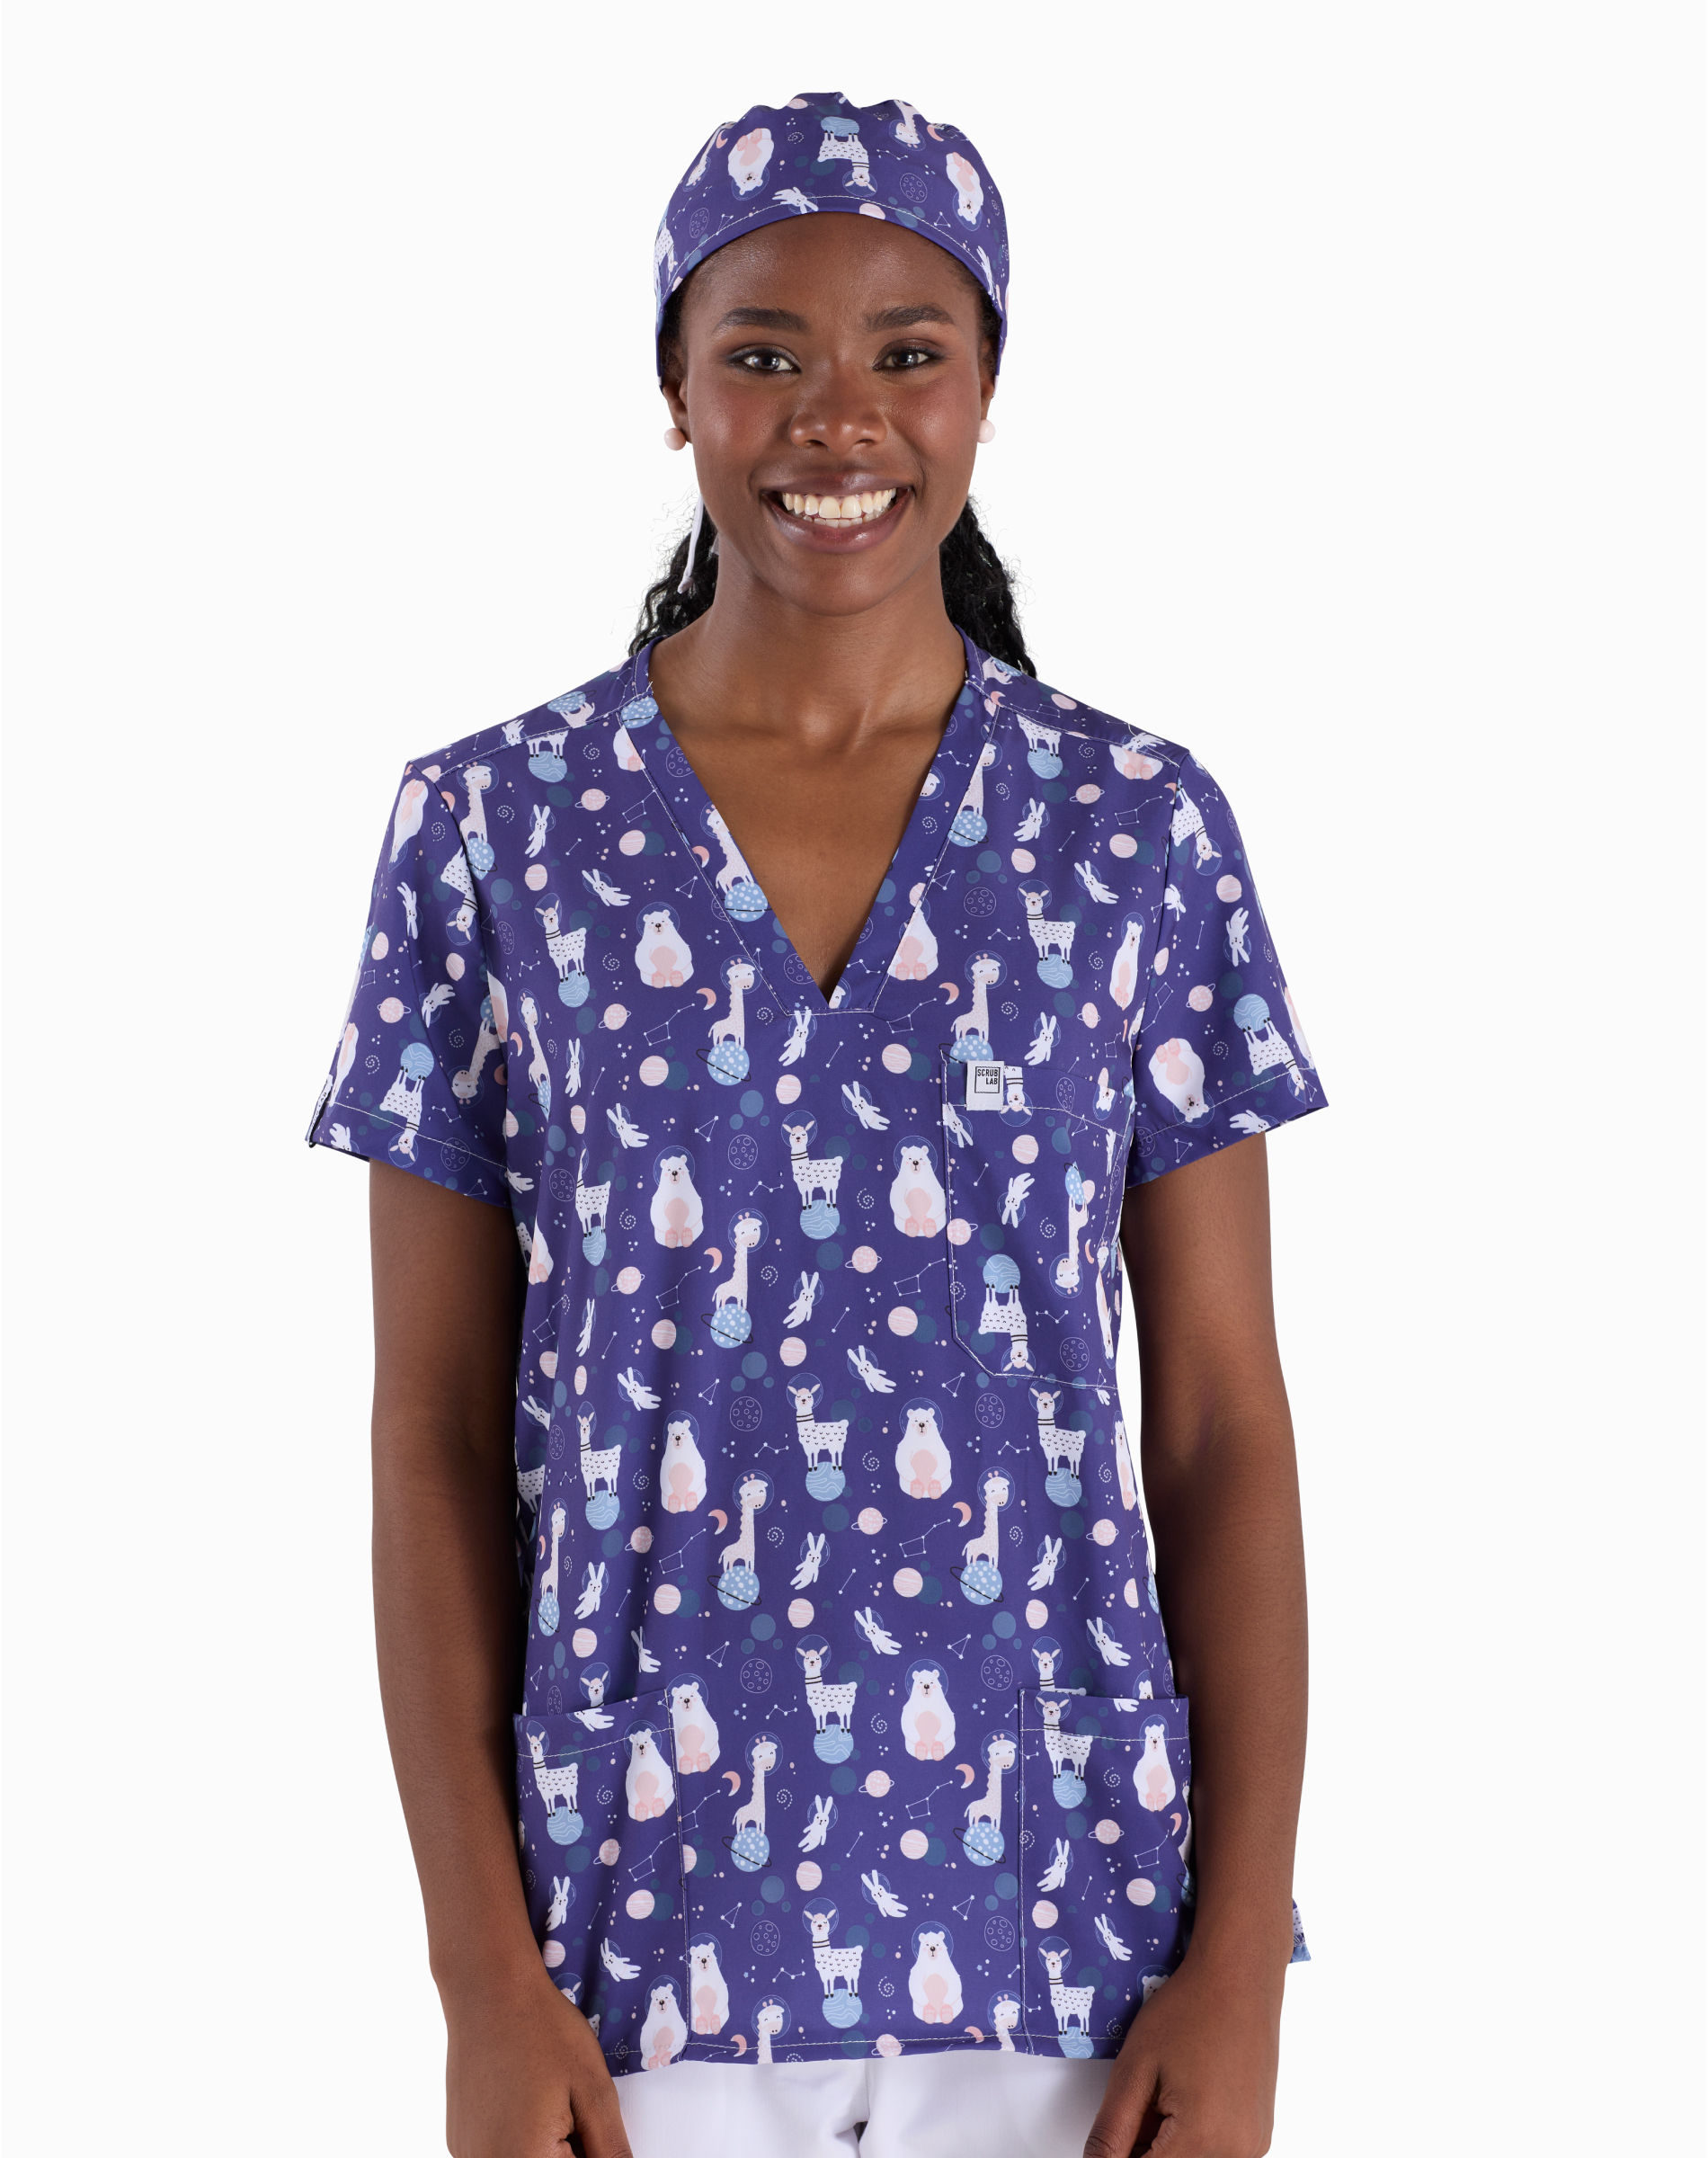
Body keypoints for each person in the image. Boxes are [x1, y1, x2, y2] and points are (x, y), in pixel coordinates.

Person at [307, 92, 1325, 2158]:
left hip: (1064, 1942)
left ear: (985, 388)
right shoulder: (499, 836)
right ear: (672, 389)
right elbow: (430, 1432)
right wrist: (480, 1982)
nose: (833, 416)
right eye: (761, 350)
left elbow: (1220, 1419)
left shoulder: (1130, 834)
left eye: (904, 351)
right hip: (632, 1962)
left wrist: (1232, 1970)